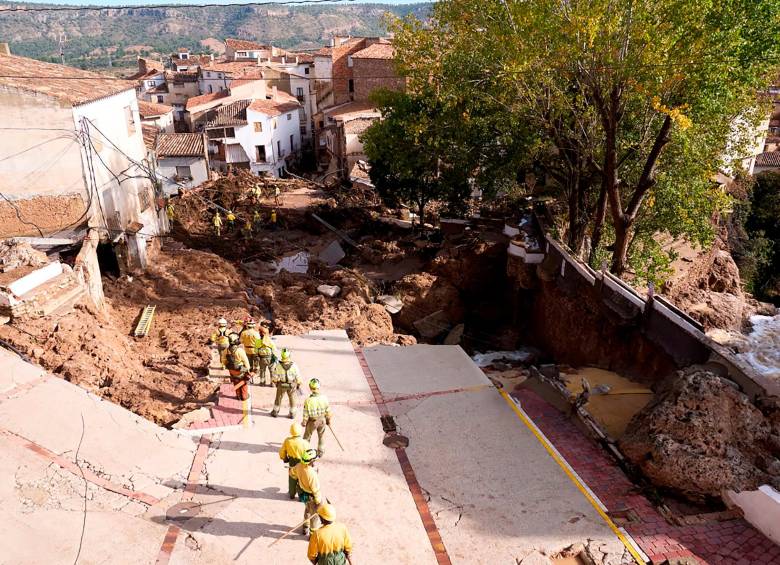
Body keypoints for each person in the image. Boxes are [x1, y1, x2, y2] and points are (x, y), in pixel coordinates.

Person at [293, 448, 322, 536]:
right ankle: (312, 534)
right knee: (315, 516)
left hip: (303, 493)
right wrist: (318, 501)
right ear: (311, 461)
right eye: (314, 460)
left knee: (307, 510)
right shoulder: (312, 474)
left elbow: (292, 473)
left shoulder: (298, 466)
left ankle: (305, 527)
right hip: (311, 496)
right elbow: (316, 490)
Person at [279, 422, 311, 500]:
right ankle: (301, 497)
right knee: (301, 479)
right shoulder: (305, 443)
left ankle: (292, 494)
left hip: (292, 462)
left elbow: (282, 452)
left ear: (291, 431)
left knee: (292, 478)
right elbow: (309, 455)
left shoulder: (287, 441)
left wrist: (284, 458)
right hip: (302, 463)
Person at [302, 378, 332, 458]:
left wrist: (304, 422)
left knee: (307, 436)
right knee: (321, 436)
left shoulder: (308, 400)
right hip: (322, 420)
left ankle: (305, 451)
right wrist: (328, 420)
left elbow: (305, 413)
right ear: (319, 387)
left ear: (310, 388)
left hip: (312, 421)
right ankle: (320, 451)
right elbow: (328, 411)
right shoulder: (324, 398)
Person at [271, 348, 301, 418]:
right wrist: (298, 384)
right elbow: (298, 376)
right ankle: (292, 413)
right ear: (289, 356)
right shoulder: (294, 366)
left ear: (282, 356)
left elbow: (275, 376)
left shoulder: (278, 365)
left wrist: (275, 382)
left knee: (278, 398)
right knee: (292, 399)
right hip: (291, 385)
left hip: (281, 385)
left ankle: (275, 412)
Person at [225, 333, 250, 401]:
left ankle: (238, 396)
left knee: (236, 382)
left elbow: (224, 360)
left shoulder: (227, 350)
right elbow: (246, 361)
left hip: (232, 371)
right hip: (240, 370)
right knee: (244, 383)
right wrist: (248, 370)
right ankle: (244, 396)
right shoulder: (239, 351)